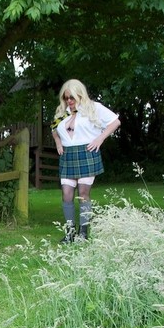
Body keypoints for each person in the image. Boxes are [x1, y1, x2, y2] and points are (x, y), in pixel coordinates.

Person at [51, 79, 121, 242]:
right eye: (66, 98)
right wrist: (58, 142)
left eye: (72, 98)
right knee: (66, 194)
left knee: (83, 194)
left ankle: (83, 233)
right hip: (68, 155)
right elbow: (54, 128)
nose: (69, 101)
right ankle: (69, 233)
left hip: (86, 153)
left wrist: (100, 139)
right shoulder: (63, 112)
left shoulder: (93, 108)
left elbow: (115, 121)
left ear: (80, 95)